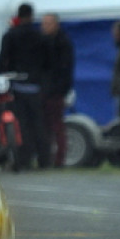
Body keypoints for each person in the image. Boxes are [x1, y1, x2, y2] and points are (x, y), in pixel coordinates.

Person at [0, 3, 49, 169]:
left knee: (21, 124)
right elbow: (46, 62)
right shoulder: (39, 36)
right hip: (35, 85)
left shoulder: (11, 35)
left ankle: (23, 159)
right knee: (39, 125)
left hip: (17, 85)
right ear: (31, 16)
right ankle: (44, 159)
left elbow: (2, 60)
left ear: (18, 16)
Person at [41, 14, 74, 167]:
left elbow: (65, 69)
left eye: (48, 23)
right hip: (46, 89)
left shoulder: (62, 43)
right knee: (47, 125)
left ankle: (59, 158)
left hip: (55, 90)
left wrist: (60, 89)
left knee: (56, 125)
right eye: (44, 23)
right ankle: (48, 156)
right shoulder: (45, 42)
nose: (45, 26)